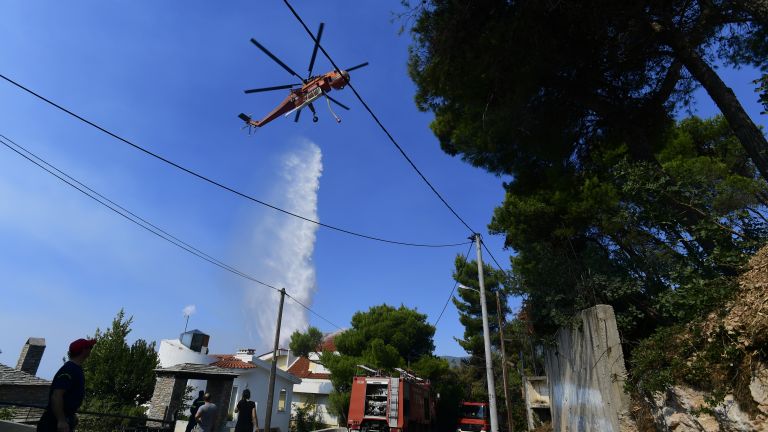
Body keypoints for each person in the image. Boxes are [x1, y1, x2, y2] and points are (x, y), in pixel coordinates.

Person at [37, 338, 97, 432]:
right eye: (90, 347)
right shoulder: (69, 370)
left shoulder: (75, 369)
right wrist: (61, 420)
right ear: (84, 350)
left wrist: (71, 415)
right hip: (53, 423)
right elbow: (57, 395)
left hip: (63, 419)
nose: (91, 349)